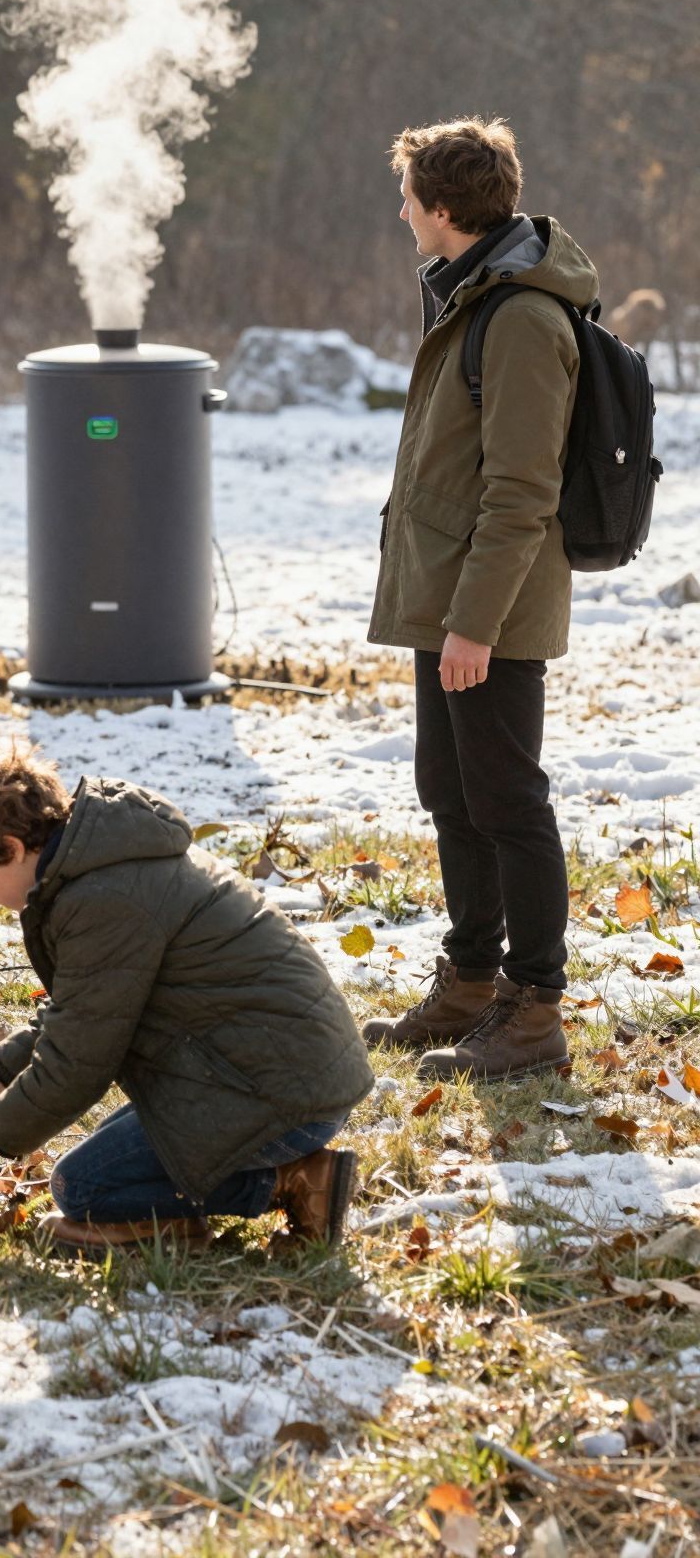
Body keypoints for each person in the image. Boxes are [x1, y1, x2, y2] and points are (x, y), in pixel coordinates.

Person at [0, 739, 373, 1255]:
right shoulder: (99, 862)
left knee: (84, 1186)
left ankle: (296, 1181)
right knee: (114, 1160)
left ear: (13, 849)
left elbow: (80, 1059)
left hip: (280, 1092)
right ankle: (176, 1222)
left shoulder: (103, 898)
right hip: (267, 1072)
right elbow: (81, 1011)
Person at [365, 117, 597, 1080]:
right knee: (451, 791)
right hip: (449, 597)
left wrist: (474, 625)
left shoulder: (522, 320)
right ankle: (467, 983)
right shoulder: (468, 296)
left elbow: (521, 492)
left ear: (445, 208)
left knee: (508, 800)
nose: (403, 214)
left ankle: (533, 1011)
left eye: (409, 199)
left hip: (490, 610)